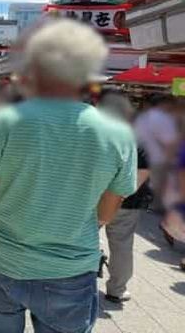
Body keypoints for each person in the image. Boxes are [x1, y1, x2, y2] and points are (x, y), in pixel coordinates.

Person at [0, 19, 137, 333]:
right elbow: (106, 213)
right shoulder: (119, 135)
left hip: (1, 261)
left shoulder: (5, 120)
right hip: (71, 269)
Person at [98, 91, 153, 304]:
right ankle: (117, 289)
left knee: (85, 238)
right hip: (127, 202)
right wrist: (121, 195)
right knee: (122, 244)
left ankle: (77, 278)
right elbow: (143, 172)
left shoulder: (94, 132)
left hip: (94, 198)